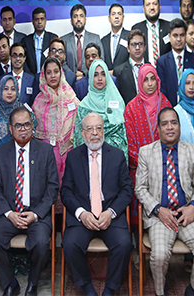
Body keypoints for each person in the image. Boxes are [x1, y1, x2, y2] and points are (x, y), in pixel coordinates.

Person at [135, 107, 194, 296]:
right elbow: (140, 188)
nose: (170, 127)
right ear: (158, 129)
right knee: (159, 256)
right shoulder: (146, 152)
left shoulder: (192, 151)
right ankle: (160, 292)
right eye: (165, 124)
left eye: (174, 123)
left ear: (179, 126)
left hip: (187, 215)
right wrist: (157, 209)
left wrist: (193, 207)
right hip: (160, 217)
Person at [0, 107, 59, 296]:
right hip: (10, 214)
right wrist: (9, 214)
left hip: (36, 214)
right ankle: (10, 283)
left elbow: (53, 187)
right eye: (18, 126)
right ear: (10, 129)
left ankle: (33, 283)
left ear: (32, 126)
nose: (23, 129)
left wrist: (35, 214)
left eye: (27, 124)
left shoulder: (45, 151)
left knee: (41, 243)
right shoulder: (2, 152)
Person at [61, 113, 133, 296]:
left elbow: (127, 190)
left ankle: (110, 289)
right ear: (82, 133)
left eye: (99, 128)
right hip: (84, 216)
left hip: (110, 215)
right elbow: (66, 191)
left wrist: (111, 212)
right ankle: (87, 288)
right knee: (69, 244)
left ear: (104, 131)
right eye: (90, 129)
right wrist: (81, 213)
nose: (95, 133)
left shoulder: (117, 155)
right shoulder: (73, 157)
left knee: (124, 244)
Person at [124, 64, 172, 223]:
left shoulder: (165, 104)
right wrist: (147, 164)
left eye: (153, 79)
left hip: (165, 167)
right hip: (140, 170)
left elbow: (172, 137)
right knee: (140, 216)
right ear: (140, 82)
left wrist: (160, 162)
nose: (150, 84)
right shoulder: (131, 108)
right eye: (146, 80)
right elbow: (130, 143)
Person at [32, 57, 80, 181]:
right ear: (44, 76)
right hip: (45, 154)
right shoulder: (38, 101)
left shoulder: (71, 97)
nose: (53, 76)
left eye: (56, 71)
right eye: (49, 72)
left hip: (68, 152)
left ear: (61, 73)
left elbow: (78, 124)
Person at [73, 59, 128, 158]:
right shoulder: (83, 106)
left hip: (114, 157)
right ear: (90, 78)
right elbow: (79, 138)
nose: (99, 78)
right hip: (90, 157)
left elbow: (122, 134)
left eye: (103, 74)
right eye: (95, 75)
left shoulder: (117, 101)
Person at [0, 75, 37, 162]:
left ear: (17, 91)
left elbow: (32, 133)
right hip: (1, 160)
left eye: (13, 89)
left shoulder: (23, 110)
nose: (9, 92)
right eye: (6, 89)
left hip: (24, 157)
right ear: (1, 90)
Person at [156, 18, 194, 106]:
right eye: (175, 35)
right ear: (169, 37)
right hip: (170, 109)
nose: (179, 39)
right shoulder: (162, 62)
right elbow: (161, 92)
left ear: (185, 36)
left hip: (192, 108)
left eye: (182, 35)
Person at [62, 4, 103, 77]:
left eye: (81, 16)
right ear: (71, 21)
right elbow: (62, 62)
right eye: (75, 16)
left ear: (85, 20)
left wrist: (84, 74)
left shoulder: (95, 38)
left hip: (90, 79)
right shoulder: (64, 40)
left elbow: (101, 60)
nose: (78, 19)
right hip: (69, 80)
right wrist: (73, 76)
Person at [131, 0, 171, 64]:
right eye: (148, 4)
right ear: (144, 9)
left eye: (154, 4)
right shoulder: (136, 29)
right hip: (144, 70)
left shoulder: (169, 27)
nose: (152, 7)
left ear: (159, 7)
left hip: (166, 70)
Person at [113, 29, 147, 105]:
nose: (137, 47)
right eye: (134, 44)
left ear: (145, 47)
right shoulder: (119, 71)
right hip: (128, 110)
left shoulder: (151, 68)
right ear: (128, 48)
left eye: (140, 44)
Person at [22, 7, 57, 75]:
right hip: (31, 77)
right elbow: (23, 62)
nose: (39, 22)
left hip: (49, 77)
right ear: (33, 22)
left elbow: (57, 60)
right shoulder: (25, 41)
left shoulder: (53, 38)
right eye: (37, 19)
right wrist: (30, 77)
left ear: (45, 21)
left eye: (42, 19)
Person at [101, 3, 130, 71]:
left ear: (123, 17)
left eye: (119, 14)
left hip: (125, 76)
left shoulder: (130, 37)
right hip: (108, 76)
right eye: (113, 14)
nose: (116, 16)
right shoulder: (103, 41)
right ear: (109, 18)